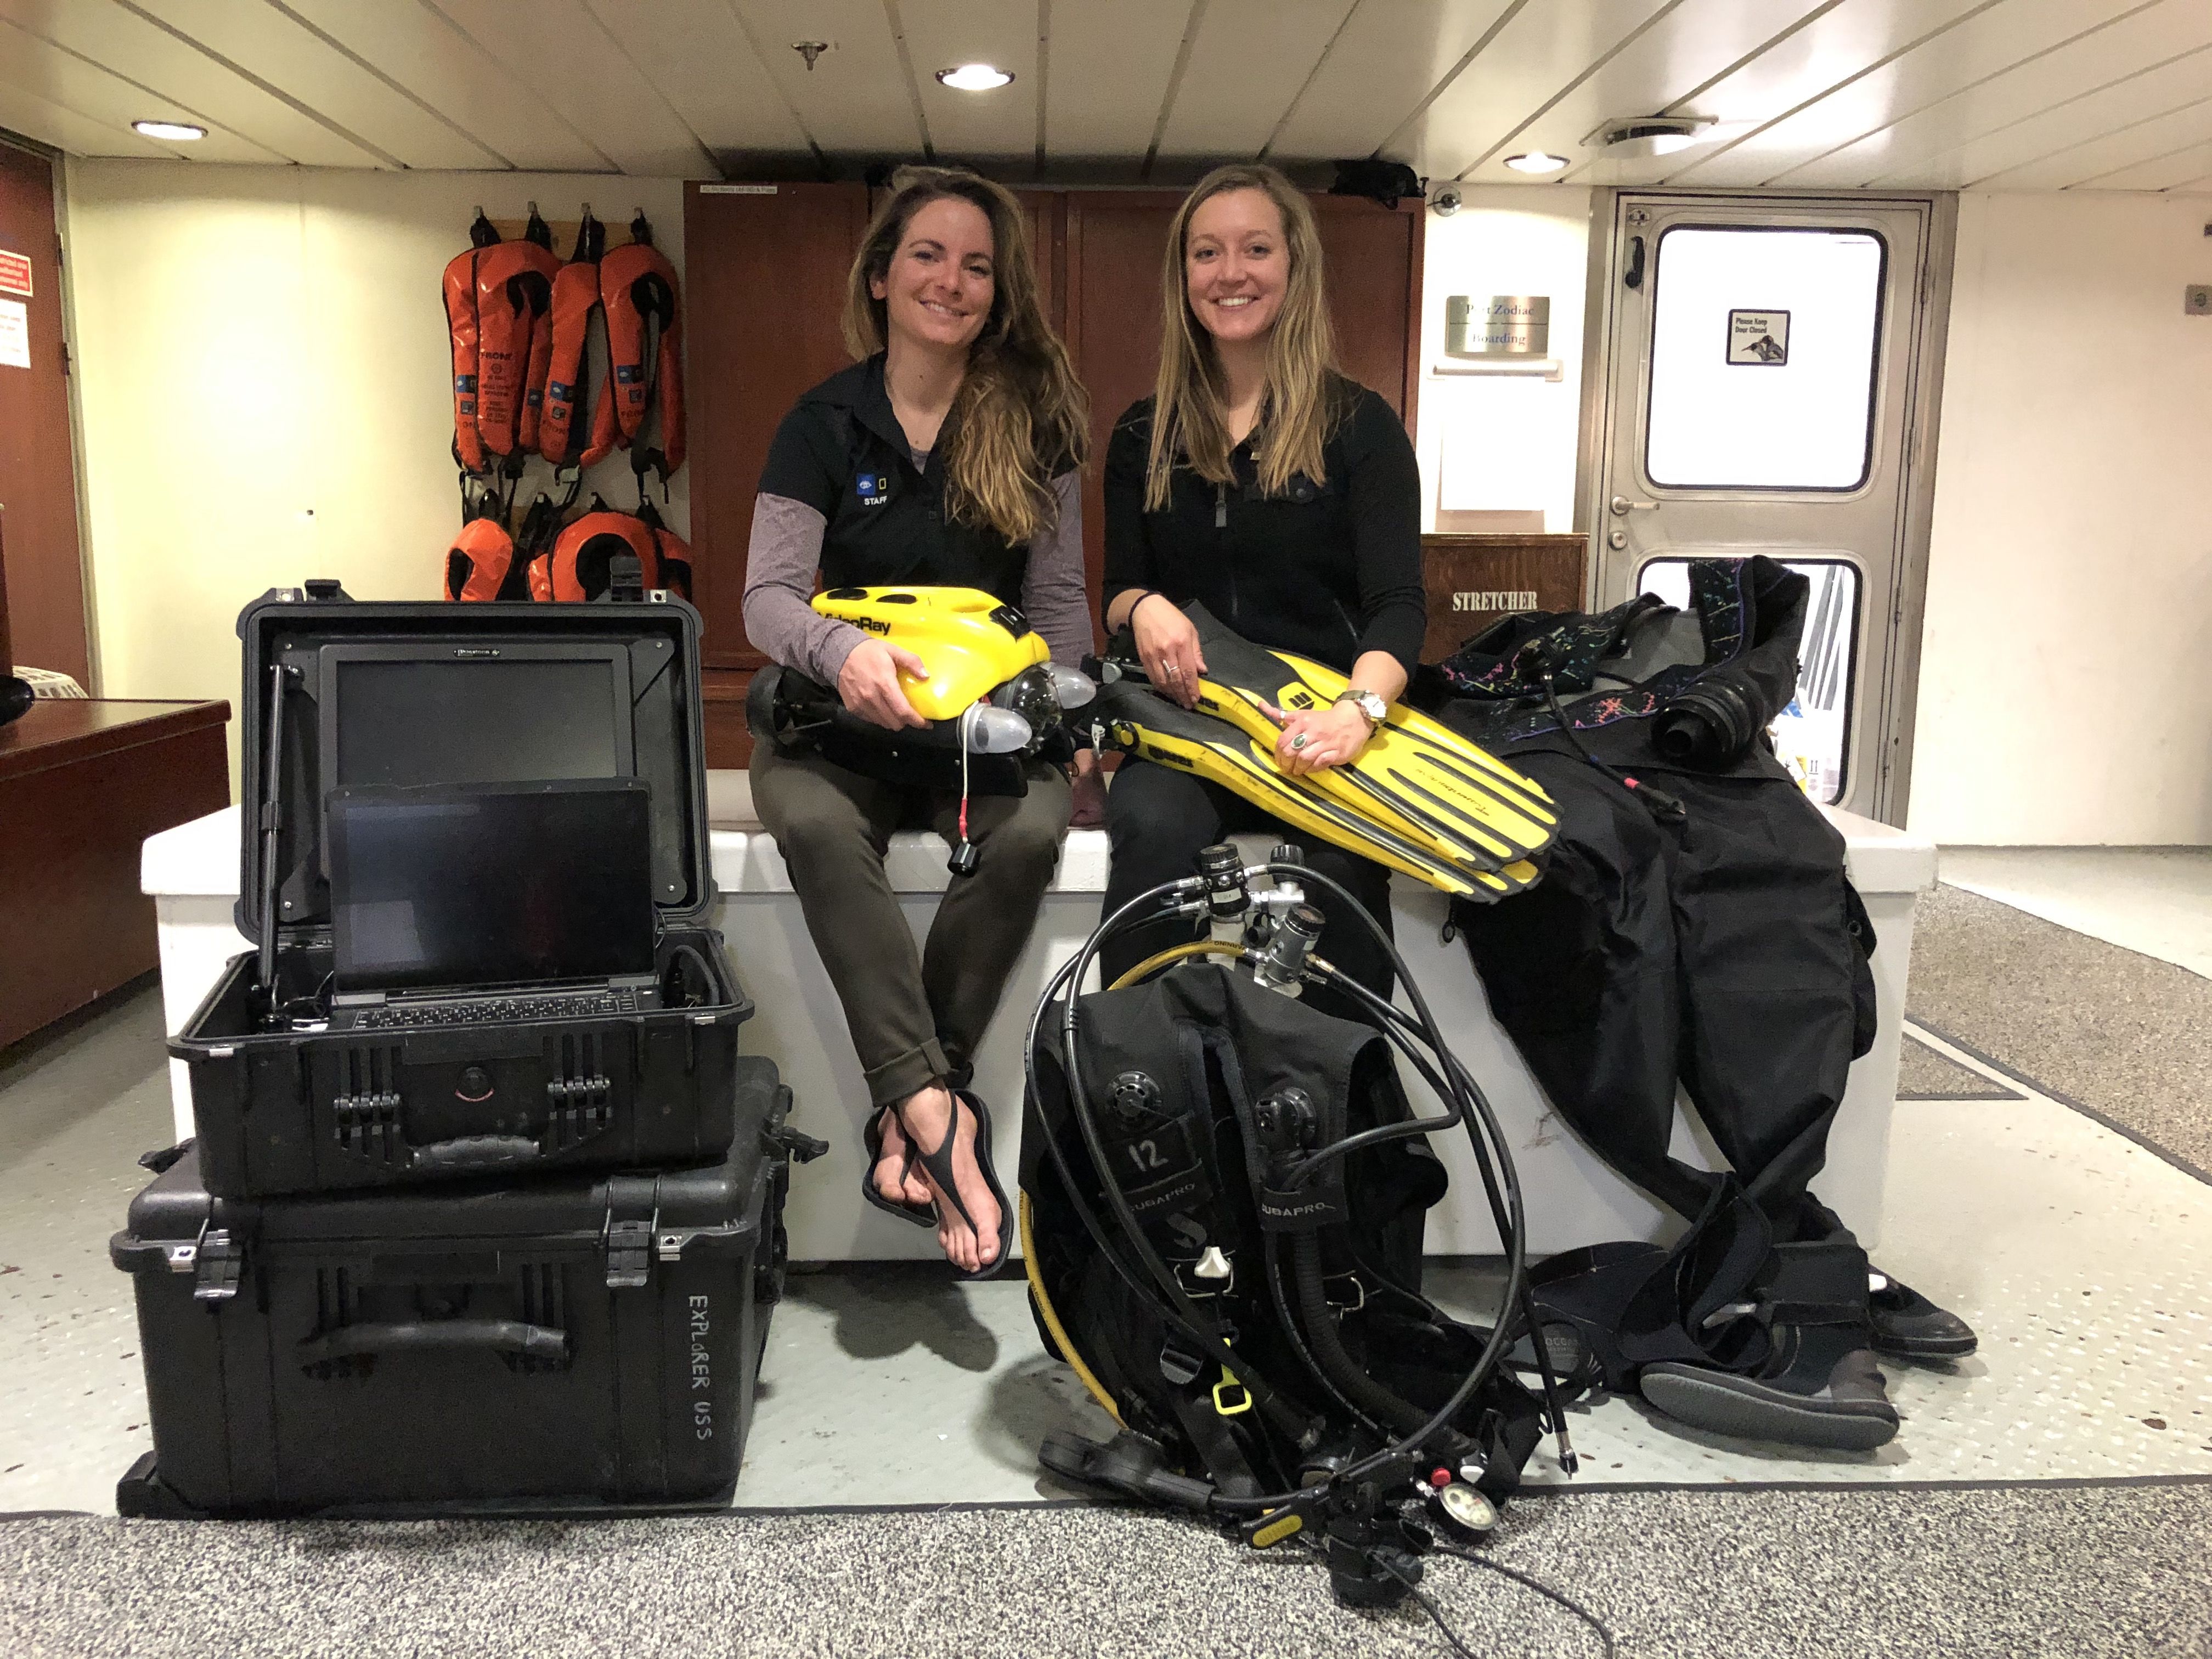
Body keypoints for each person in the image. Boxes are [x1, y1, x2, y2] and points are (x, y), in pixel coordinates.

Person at [743, 167, 1094, 1274]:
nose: (952, 281)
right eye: (929, 256)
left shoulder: (1035, 429)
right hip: (839, 726)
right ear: (883, 277)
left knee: (1031, 836)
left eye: (978, 266)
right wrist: (842, 656)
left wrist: (1075, 723)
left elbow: (1059, 607)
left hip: (980, 736)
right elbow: (768, 600)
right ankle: (941, 1114)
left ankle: (911, 1118)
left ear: (999, 292)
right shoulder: (821, 424)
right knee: (811, 824)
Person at [1098, 163, 1425, 1002]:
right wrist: (1145, 608)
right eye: (1206, 253)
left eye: (1255, 249)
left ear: (1294, 264)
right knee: (1149, 835)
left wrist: (1357, 714)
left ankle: (1341, 1077)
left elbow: (1397, 607)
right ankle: (1140, 1070)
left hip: (1320, 727)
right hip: (1189, 729)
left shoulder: (1361, 427)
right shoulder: (1142, 433)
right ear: (1183, 275)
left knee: (1345, 877)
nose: (1230, 273)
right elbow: (1119, 590)